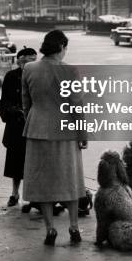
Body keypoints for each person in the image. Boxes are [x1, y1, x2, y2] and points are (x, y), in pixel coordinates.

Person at [22, 29, 87, 246]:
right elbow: (77, 105)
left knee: (44, 183)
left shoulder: (29, 68)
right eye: (65, 48)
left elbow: (26, 103)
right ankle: (74, 227)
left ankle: (50, 230)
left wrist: (32, 122)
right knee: (69, 179)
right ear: (60, 47)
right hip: (65, 131)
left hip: (37, 130)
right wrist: (82, 133)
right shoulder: (70, 71)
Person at [0, 47, 38, 207]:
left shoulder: (38, 76)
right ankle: (15, 193)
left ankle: (34, 197)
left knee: (34, 162)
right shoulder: (11, 76)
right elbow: (4, 101)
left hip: (34, 123)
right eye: (29, 60)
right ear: (20, 61)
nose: (33, 64)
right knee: (16, 162)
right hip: (16, 124)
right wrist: (13, 110)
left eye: (35, 60)